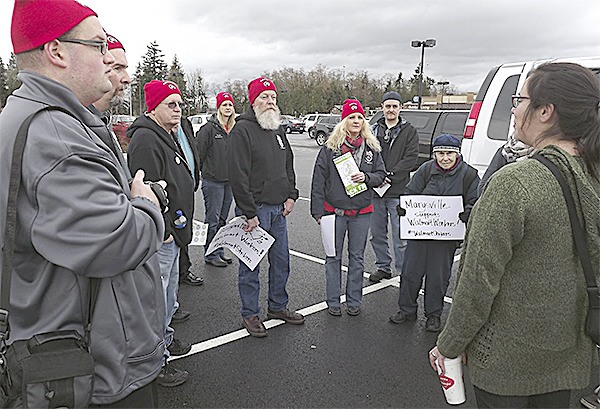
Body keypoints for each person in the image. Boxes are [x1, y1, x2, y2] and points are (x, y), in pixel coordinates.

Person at [1, 0, 166, 406]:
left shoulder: (29, 115)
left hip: (65, 347)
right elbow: (117, 242)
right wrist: (146, 205)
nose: (108, 57)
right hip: (93, 366)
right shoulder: (56, 135)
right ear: (57, 52)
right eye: (98, 45)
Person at [429, 62, 600, 408]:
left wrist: (449, 344)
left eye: (519, 100)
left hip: (507, 363)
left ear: (545, 111)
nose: (515, 108)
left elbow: (477, 280)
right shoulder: (592, 174)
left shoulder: (514, 183)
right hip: (567, 354)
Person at [127, 79, 200, 387]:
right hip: (162, 236)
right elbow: (146, 190)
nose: (178, 109)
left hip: (174, 234)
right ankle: (155, 363)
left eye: (180, 104)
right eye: (171, 104)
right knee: (155, 301)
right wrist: (166, 228)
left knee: (168, 298)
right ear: (153, 107)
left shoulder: (168, 134)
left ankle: (165, 342)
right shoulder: (146, 139)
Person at [228, 77, 304, 338]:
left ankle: (277, 306)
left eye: (273, 97)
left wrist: (292, 195)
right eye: (264, 97)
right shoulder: (242, 131)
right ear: (253, 101)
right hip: (255, 212)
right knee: (250, 266)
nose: (270, 102)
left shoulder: (278, 130)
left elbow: (288, 165)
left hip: (279, 210)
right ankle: (250, 313)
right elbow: (237, 176)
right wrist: (248, 212)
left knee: (281, 261)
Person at [390, 134, 479, 332]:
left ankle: (433, 314)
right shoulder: (425, 169)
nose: (445, 158)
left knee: (438, 277)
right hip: (420, 233)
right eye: (440, 153)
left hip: (445, 237)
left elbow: (475, 201)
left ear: (457, 154)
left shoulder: (469, 174)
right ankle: (406, 310)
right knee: (410, 272)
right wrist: (405, 208)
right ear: (435, 154)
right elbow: (410, 192)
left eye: (449, 153)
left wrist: (468, 212)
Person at [311, 98, 386, 316]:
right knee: (333, 258)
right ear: (343, 121)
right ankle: (333, 300)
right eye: (351, 117)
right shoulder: (330, 148)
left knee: (357, 258)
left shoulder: (372, 148)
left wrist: (367, 177)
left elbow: (381, 175)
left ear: (364, 121)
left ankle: (354, 300)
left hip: (361, 213)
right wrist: (318, 211)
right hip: (334, 213)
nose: (356, 121)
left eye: (360, 118)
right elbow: (318, 180)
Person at [368, 91, 419, 283]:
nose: (391, 110)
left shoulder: (409, 131)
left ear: (400, 108)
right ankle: (383, 267)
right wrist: (375, 177)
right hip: (375, 191)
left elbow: (411, 158)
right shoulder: (372, 130)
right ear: (382, 107)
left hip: (398, 191)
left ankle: (403, 271)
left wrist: (389, 177)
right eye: (387, 106)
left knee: (401, 237)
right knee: (377, 234)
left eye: (394, 106)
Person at [197, 91, 236, 267]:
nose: (228, 108)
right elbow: (199, 155)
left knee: (222, 220)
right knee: (212, 220)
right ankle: (210, 253)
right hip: (213, 181)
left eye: (230, 105)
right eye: (224, 105)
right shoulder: (208, 129)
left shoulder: (235, 129)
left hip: (230, 181)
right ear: (219, 107)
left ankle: (219, 250)